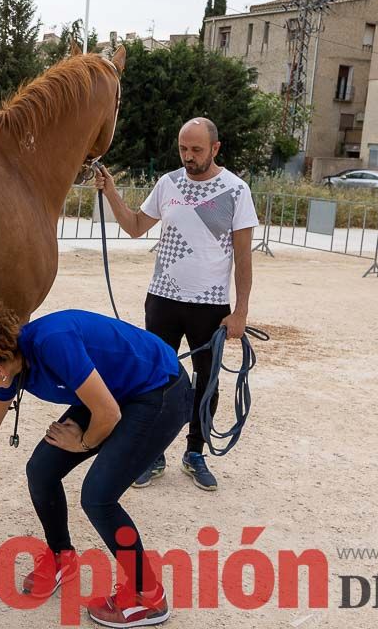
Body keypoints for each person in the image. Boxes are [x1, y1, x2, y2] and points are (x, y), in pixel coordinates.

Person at [0, 305, 191, 628]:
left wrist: (83, 443)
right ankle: (61, 558)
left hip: (160, 391)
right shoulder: (13, 361)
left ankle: (148, 595)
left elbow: (108, 414)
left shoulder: (52, 344)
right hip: (115, 391)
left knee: (97, 497)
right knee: (40, 470)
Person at [94, 116, 257, 491]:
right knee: (157, 381)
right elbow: (136, 226)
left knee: (207, 382)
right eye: (184, 148)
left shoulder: (234, 191)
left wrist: (241, 311)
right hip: (163, 300)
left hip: (210, 305)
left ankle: (195, 452)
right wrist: (111, 193)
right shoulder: (168, 183)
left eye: (197, 150)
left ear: (215, 148)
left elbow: (244, 258)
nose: (189, 156)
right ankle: (153, 455)